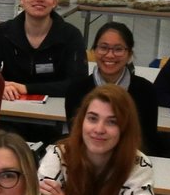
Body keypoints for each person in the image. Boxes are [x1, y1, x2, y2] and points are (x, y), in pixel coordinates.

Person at [0, 0, 86, 99]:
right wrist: (0, 85)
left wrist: (26, 89)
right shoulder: (3, 32)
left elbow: (78, 84)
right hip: (10, 105)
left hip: (56, 108)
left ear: (54, 1)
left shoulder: (71, 36)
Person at [63, 22, 160, 155]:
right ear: (94, 51)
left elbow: (148, 141)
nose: (110, 55)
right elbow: (76, 136)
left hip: (131, 160)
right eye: (103, 48)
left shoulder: (146, 91)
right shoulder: (76, 90)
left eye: (118, 49)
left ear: (129, 54)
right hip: (88, 159)